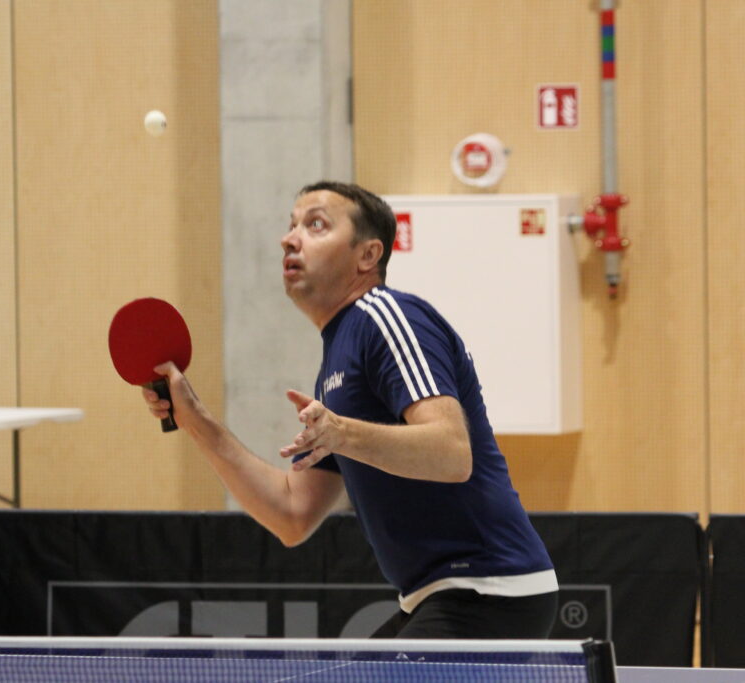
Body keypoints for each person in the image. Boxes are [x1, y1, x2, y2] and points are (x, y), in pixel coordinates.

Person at [144, 181, 558, 638]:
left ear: (367, 255)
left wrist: (341, 433)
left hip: (490, 589)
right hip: (437, 596)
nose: (289, 238)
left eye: (316, 225)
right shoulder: (335, 363)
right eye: (291, 225)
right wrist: (195, 421)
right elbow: (292, 514)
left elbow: (451, 452)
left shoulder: (389, 317)